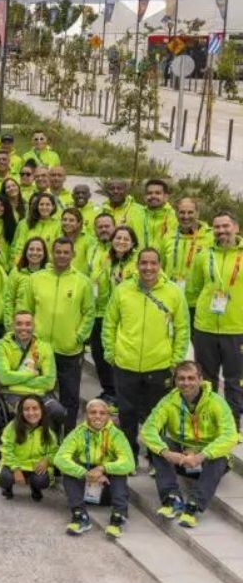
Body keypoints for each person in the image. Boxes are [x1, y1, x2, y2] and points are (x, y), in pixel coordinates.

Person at [103, 247, 191, 463]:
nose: (148, 268)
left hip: (159, 365)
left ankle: (155, 459)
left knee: (157, 416)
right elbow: (110, 323)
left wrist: (176, 360)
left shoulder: (173, 292)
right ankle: (128, 456)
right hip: (125, 363)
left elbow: (182, 328)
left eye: (153, 263)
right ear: (137, 265)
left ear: (160, 266)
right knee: (127, 414)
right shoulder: (123, 290)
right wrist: (110, 351)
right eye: (144, 263)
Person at [142, 361, 240, 528]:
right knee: (160, 445)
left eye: (191, 378)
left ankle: (193, 506)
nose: (186, 383)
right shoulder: (168, 401)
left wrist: (201, 455)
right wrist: (168, 453)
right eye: (181, 379)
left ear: (200, 379)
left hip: (206, 460)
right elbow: (148, 429)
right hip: (181, 459)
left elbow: (230, 435)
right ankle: (172, 498)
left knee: (220, 456)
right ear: (175, 380)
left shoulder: (216, 402)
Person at [18, 238, 94, 430]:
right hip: (39, 350)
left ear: (73, 254)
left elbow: (89, 312)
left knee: (70, 397)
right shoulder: (36, 279)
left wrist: (79, 336)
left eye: (65, 252)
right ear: (52, 253)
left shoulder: (82, 282)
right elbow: (25, 309)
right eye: (58, 252)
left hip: (69, 351)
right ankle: (45, 437)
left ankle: (68, 438)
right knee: (40, 396)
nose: (61, 255)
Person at [188, 212, 243, 424]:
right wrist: (195, 321)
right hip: (206, 328)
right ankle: (208, 421)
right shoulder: (203, 255)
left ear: (236, 227)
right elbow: (193, 290)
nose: (221, 231)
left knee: (234, 380)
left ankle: (232, 424)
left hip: (236, 329)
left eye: (226, 226)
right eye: (217, 227)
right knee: (206, 380)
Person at [53, 399, 135, 538]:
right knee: (69, 471)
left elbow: (129, 463)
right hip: (84, 488)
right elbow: (59, 459)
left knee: (119, 472)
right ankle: (80, 516)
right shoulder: (77, 433)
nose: (97, 416)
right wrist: (85, 473)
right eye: (93, 412)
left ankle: (118, 517)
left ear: (108, 416)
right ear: (86, 415)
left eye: (102, 413)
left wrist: (103, 469)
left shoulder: (116, 434)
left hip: (106, 488)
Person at [0, 310, 64, 430]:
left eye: (28, 324)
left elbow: (49, 382)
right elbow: (4, 378)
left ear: (34, 326)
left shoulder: (45, 347)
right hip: (12, 394)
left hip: (38, 393)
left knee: (57, 411)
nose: (23, 327)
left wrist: (14, 382)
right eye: (19, 324)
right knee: (29, 414)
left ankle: (49, 444)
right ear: (13, 326)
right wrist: (33, 374)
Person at [0, 394, 58, 501]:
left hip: (35, 467)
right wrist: (16, 469)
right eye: (26, 409)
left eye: (35, 409)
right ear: (21, 412)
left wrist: (47, 461)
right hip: (15, 464)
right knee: (5, 478)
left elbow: (55, 451)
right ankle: (8, 488)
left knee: (41, 481)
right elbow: (6, 449)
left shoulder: (48, 431)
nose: (31, 413)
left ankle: (35, 488)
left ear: (42, 410)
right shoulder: (12, 427)